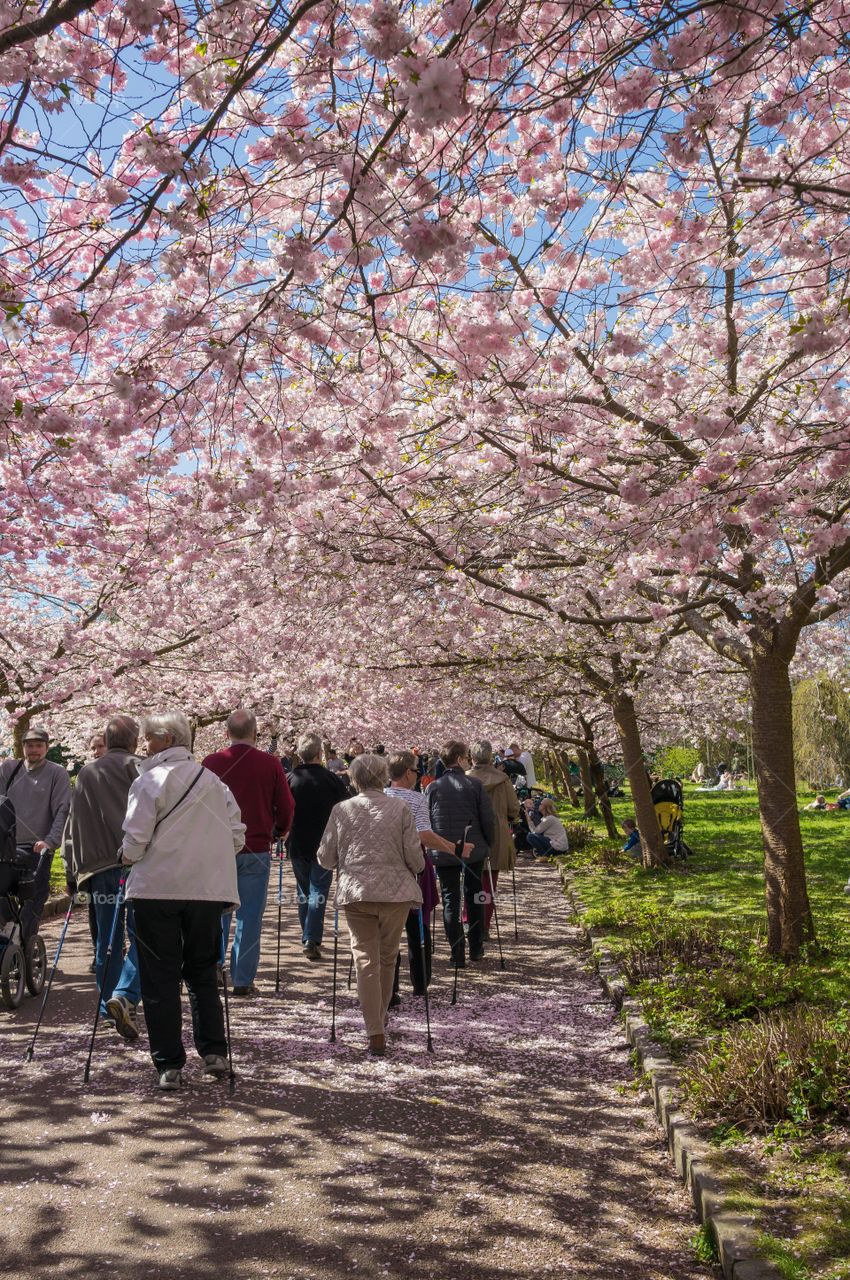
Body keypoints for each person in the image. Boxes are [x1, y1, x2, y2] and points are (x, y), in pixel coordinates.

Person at [122, 711, 245, 1091]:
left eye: (149, 738)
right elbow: (237, 836)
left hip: (156, 890)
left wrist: (125, 855)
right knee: (203, 971)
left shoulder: (149, 781)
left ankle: (169, 1064)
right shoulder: (215, 783)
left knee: (160, 977)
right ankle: (214, 1051)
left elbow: (135, 842)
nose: (145, 744)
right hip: (207, 892)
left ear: (166, 739)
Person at [318, 753, 423, 1056]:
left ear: (353, 779)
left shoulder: (341, 810)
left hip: (357, 892)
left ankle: (374, 1030)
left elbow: (325, 858)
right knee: (387, 958)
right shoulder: (400, 807)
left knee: (365, 959)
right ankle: (381, 1018)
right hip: (395, 894)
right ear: (383, 775)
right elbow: (415, 858)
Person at [203, 710, 295, 996]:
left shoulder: (210, 763)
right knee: (250, 916)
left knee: (217, 913)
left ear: (226, 733)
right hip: (256, 847)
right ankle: (242, 979)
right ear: (255, 734)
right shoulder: (269, 763)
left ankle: (214, 966)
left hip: (217, 849)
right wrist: (280, 830)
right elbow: (286, 804)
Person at [64, 715, 143, 1039]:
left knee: (106, 942)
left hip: (98, 869)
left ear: (107, 742)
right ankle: (124, 995)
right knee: (144, 937)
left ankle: (107, 1007)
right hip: (136, 865)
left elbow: (75, 823)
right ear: (135, 741)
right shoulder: (140, 768)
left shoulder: (86, 773)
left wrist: (74, 868)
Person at [385, 750, 469, 996]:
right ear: (408, 773)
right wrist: (455, 848)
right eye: (416, 770)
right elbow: (424, 835)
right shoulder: (416, 799)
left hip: (384, 868)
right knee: (416, 924)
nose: (418, 774)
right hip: (413, 868)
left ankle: (390, 988)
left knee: (388, 931)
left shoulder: (379, 797)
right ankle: (420, 983)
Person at [426, 740, 496, 966]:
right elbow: (487, 819)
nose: (468, 760)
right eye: (466, 757)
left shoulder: (433, 788)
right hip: (473, 851)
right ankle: (476, 947)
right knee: (475, 896)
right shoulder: (474, 785)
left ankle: (457, 953)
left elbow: (426, 821)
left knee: (450, 900)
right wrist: (489, 843)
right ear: (459, 759)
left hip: (445, 851)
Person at [0, 726, 71, 942]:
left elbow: (62, 810)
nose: (34, 750)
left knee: (33, 897)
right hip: (6, 846)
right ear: (22, 748)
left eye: (39, 745)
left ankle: (25, 943)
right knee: (3, 895)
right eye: (29, 745)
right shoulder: (8, 770)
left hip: (37, 848)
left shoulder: (56, 773)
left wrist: (50, 841)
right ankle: (9, 937)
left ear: (47, 748)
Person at [287, 732, 349, 960]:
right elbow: (344, 811)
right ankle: (311, 938)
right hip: (325, 843)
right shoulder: (332, 780)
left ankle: (308, 935)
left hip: (297, 843)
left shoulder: (290, 778)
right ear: (319, 754)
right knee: (318, 891)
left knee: (304, 891)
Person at [467, 741, 520, 935]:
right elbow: (514, 808)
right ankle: (484, 924)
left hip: (470, 834)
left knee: (470, 880)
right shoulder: (503, 779)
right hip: (496, 833)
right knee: (489, 883)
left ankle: (468, 920)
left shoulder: (465, 779)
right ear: (491, 757)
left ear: (472, 758)